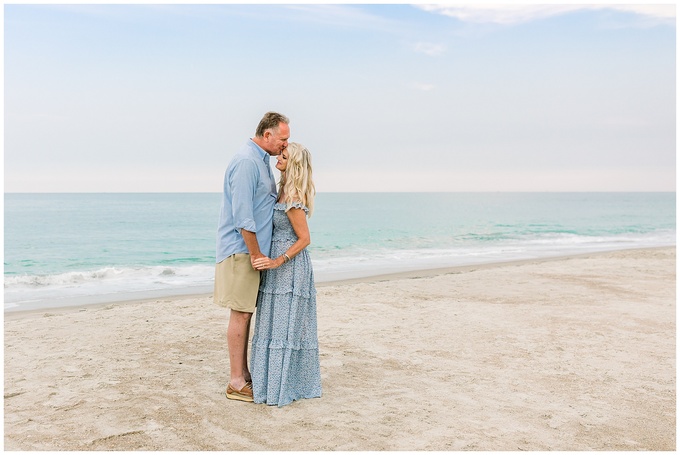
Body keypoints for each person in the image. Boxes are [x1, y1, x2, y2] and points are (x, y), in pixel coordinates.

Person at [214, 112, 290, 402]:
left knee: (245, 312)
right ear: (267, 135)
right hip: (241, 250)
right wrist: (257, 254)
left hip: (250, 250)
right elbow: (243, 217)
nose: (285, 145)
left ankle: (243, 374)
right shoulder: (247, 161)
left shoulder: (261, 161)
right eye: (283, 139)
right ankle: (236, 381)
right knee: (241, 313)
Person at [250, 142, 322, 407]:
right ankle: (269, 383)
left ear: (294, 164)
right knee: (273, 323)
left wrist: (279, 260)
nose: (278, 157)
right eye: (280, 153)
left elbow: (305, 239)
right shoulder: (281, 190)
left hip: (290, 268)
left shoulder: (292, 197)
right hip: (276, 267)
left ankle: (283, 386)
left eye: (284, 156)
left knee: (287, 327)